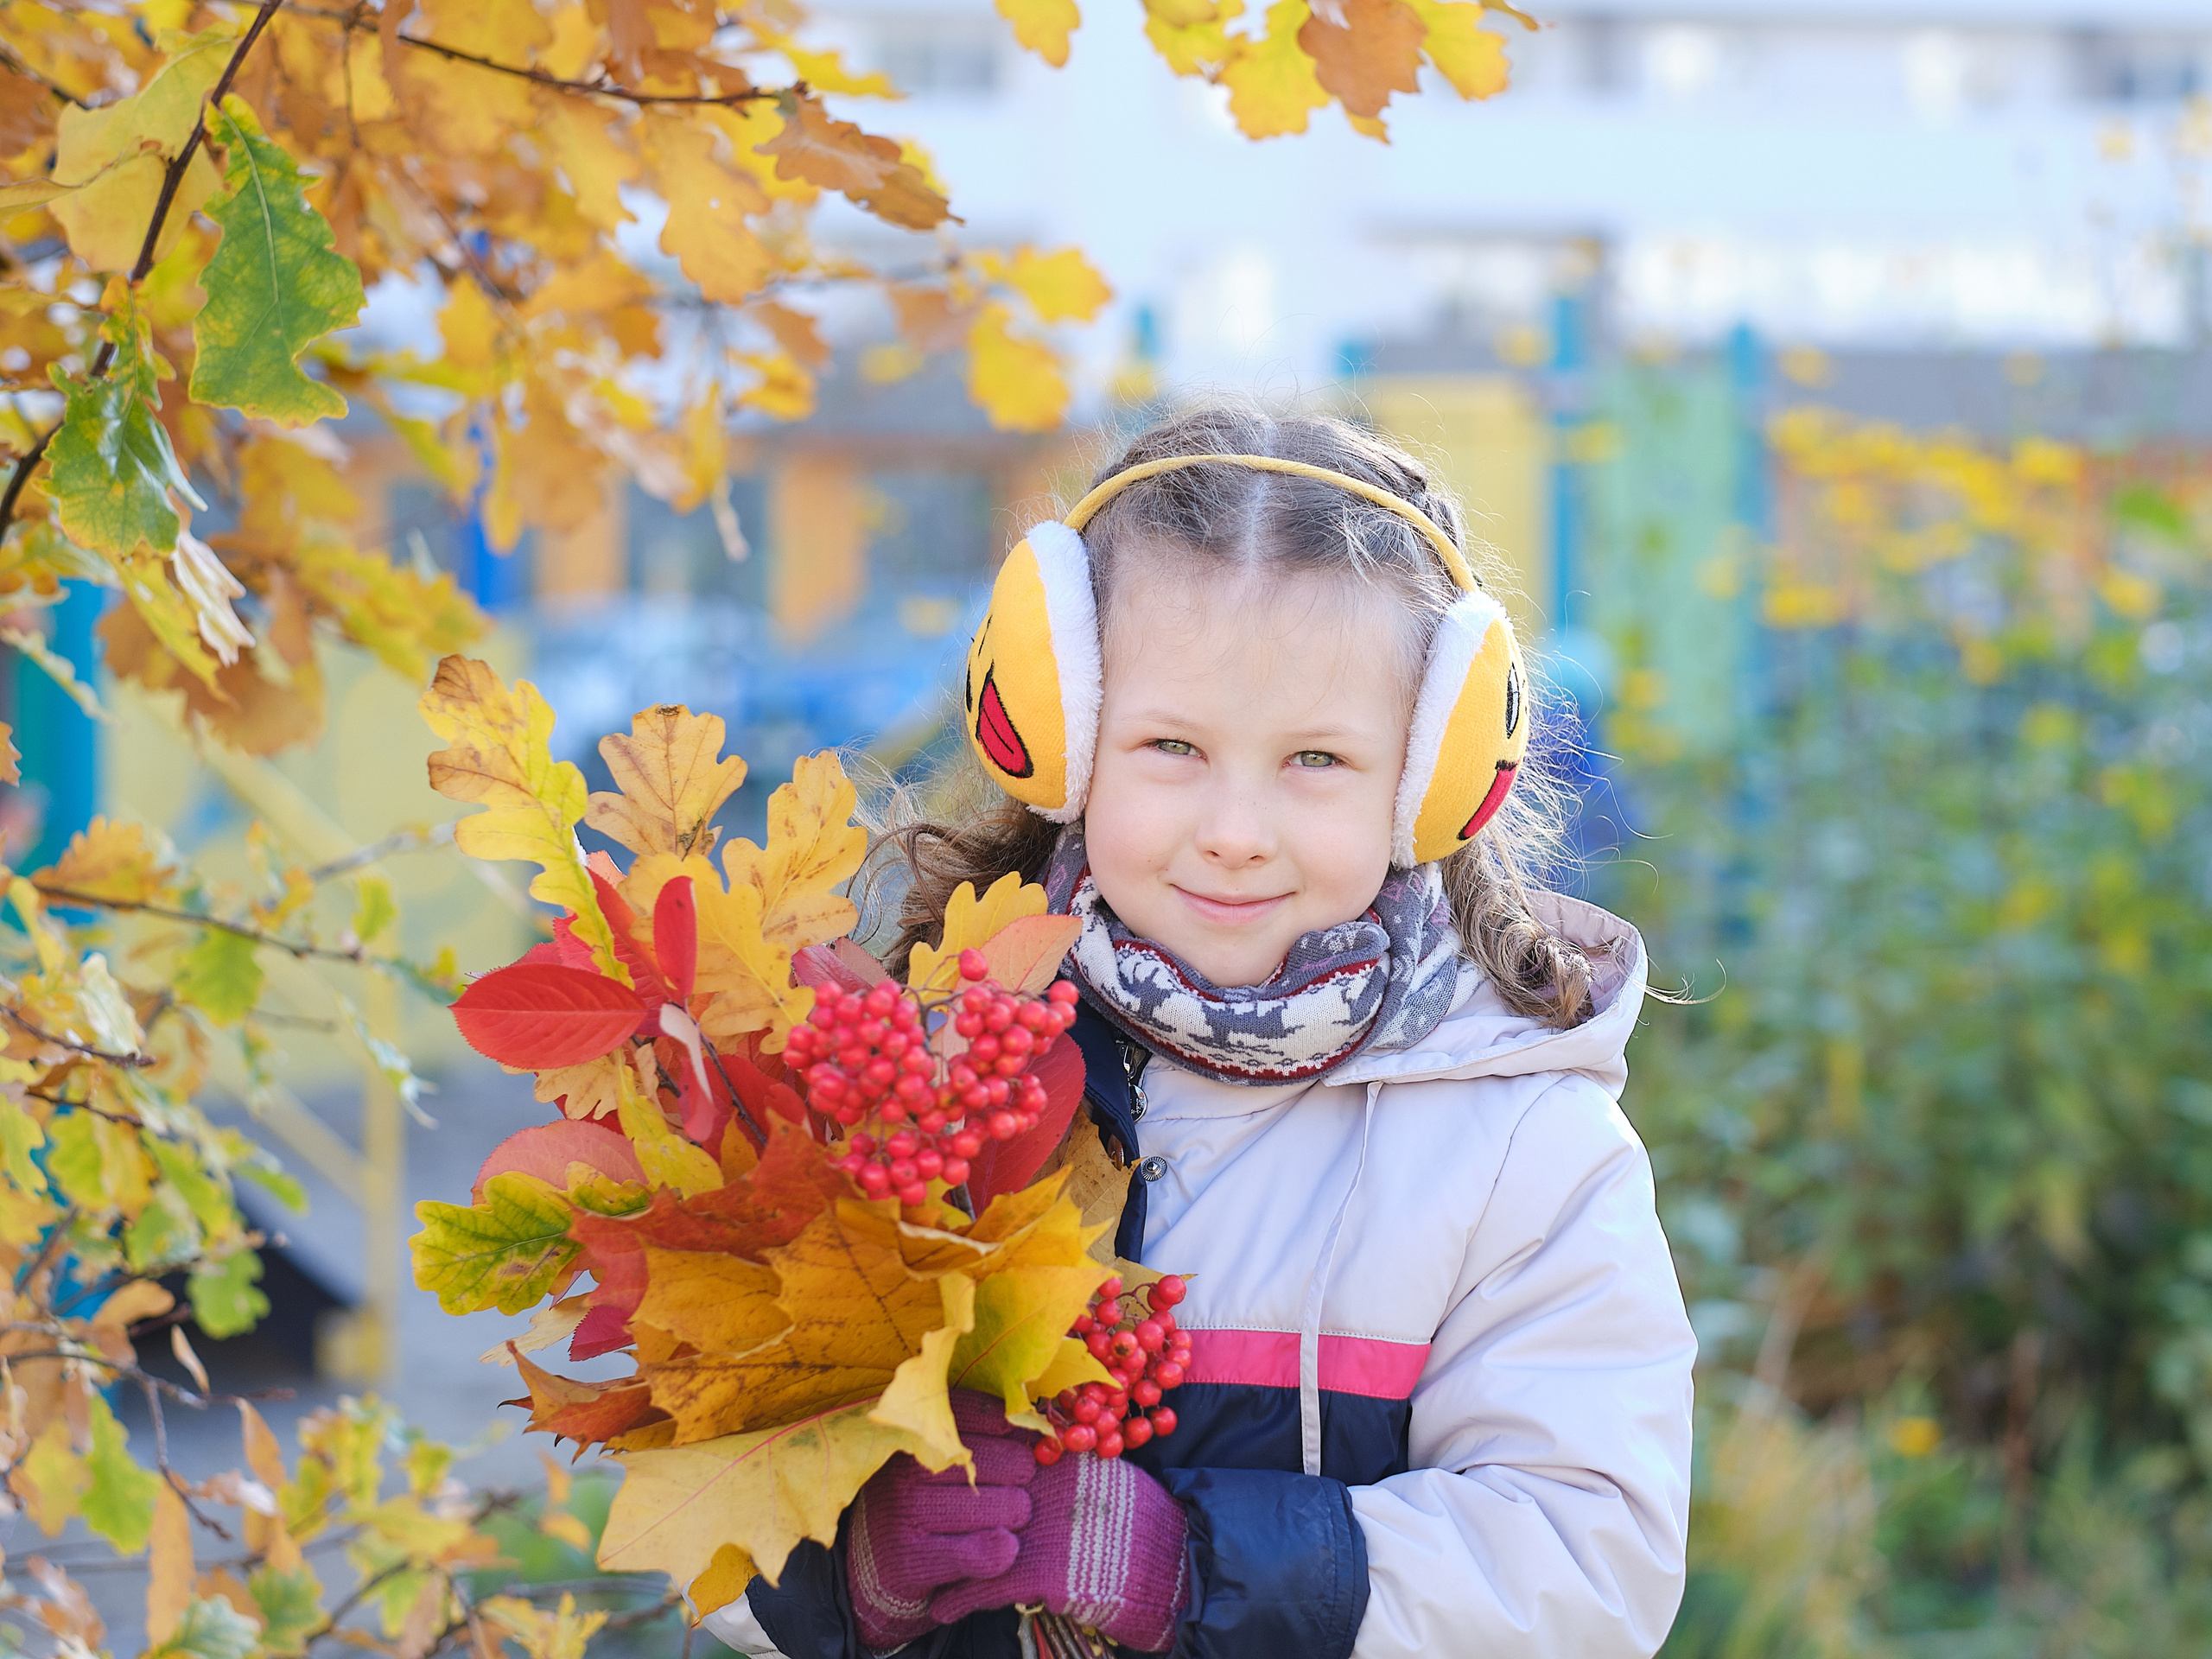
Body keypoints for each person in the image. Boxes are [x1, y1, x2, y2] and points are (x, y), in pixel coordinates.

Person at [704, 404, 1696, 1659]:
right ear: (1062, 740)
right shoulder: (916, 1071)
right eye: (1172, 745)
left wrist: (1195, 1575)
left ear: (1430, 777)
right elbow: (700, 1475)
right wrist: (844, 1574)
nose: (1236, 826)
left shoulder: (1519, 1142)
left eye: (1316, 761)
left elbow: (1590, 1566)